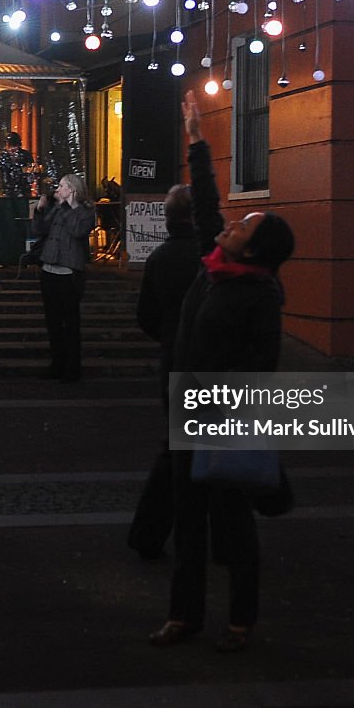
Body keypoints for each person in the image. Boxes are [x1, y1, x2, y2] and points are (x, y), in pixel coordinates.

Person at [150, 104, 295, 653]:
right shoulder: (214, 265)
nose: (231, 225)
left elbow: (261, 367)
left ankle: (241, 621)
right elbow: (207, 200)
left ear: (254, 251)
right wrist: (195, 139)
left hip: (226, 421)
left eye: (244, 227)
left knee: (233, 528)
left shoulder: (259, 294)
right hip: (184, 410)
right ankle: (183, 616)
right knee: (188, 526)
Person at [129, 91, 223, 559]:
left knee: (176, 450)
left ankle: (150, 532)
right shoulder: (211, 256)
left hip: (173, 363)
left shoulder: (163, 258)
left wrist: (169, 336)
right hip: (211, 369)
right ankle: (206, 535)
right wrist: (195, 138)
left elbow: (145, 315)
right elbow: (209, 202)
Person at [31, 173, 95, 382]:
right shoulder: (58, 209)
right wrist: (40, 211)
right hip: (50, 268)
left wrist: (67, 207)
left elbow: (78, 231)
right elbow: (40, 230)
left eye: (62, 187)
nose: (58, 190)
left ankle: (72, 367)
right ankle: (56, 363)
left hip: (69, 272)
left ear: (72, 190)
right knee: (53, 321)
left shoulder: (85, 212)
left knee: (70, 321)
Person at [0, 132, 33, 197]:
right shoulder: (2, 156)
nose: (12, 149)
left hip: (23, 191)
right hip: (6, 191)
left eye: (14, 146)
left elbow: (32, 172)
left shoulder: (25, 155)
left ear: (19, 145)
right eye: (10, 146)